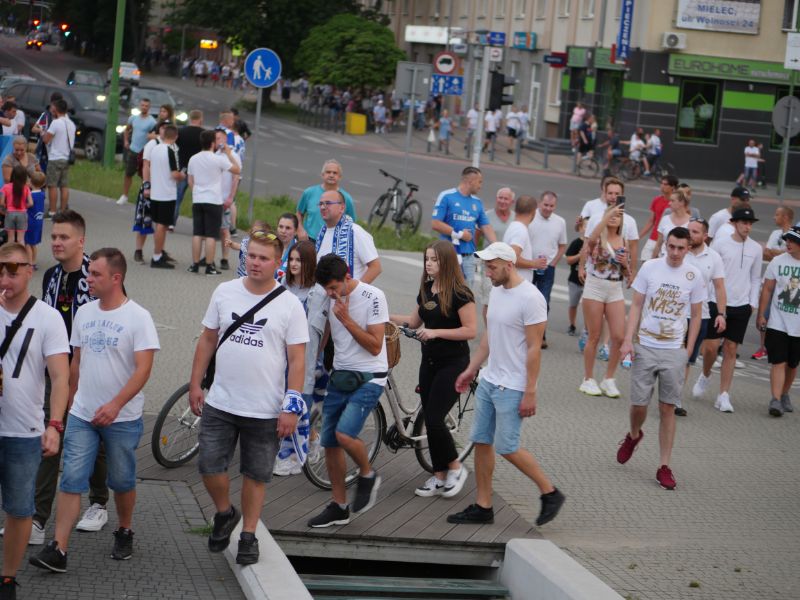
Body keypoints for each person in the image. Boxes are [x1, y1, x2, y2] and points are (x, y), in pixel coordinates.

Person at [30, 248, 159, 572]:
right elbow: (76, 362)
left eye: (96, 274)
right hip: (82, 415)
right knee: (72, 477)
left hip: (122, 418)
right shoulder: (84, 313)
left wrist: (116, 405)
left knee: (122, 480)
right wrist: (70, 402)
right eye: (89, 273)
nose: (89, 278)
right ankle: (59, 548)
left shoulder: (138, 317)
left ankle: (124, 530)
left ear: (116, 278)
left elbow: (143, 369)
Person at [189, 231, 307, 564]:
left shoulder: (289, 304)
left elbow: (298, 359)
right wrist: (195, 384)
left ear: (277, 262)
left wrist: (291, 405)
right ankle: (225, 512)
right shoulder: (224, 291)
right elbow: (207, 339)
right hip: (221, 401)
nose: (255, 263)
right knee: (209, 464)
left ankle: (248, 535)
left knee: (256, 475)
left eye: (263, 258)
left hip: (265, 408)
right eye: (251, 256)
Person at [447, 242, 565, 527]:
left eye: (492, 267)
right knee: (481, 441)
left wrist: (530, 391)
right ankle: (483, 506)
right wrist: (471, 370)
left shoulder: (531, 298)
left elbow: (534, 348)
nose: (487, 272)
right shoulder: (497, 292)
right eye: (485, 267)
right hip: (489, 379)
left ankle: (550, 492)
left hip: (513, 385)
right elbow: (490, 337)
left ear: (509, 265)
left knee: (507, 446)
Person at [0, 242, 69, 598]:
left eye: (13, 270)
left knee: (19, 509)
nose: (5, 277)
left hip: (23, 431)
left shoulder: (48, 317)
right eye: (0, 269)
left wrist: (54, 424)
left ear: (30, 271)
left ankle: (7, 578)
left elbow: (60, 377)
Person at [616, 227, 705, 491]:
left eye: (681, 248)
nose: (675, 252)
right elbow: (636, 305)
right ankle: (634, 435)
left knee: (668, 407)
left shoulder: (694, 275)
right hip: (645, 345)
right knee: (639, 404)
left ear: (688, 248)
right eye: (671, 246)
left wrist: (688, 351)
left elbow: (697, 316)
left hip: (674, 349)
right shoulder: (650, 268)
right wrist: (627, 341)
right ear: (665, 245)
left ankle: (664, 466)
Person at [389, 241, 477, 498]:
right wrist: (383, 315)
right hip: (429, 362)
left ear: (446, 262)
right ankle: (439, 476)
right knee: (430, 419)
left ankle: (456, 467)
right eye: (427, 259)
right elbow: (412, 321)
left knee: (436, 419)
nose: (428, 263)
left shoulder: (461, 293)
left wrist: (436, 332)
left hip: (454, 363)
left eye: (434, 260)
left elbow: (470, 330)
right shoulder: (427, 289)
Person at [307, 254, 389, 528]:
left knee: (344, 434)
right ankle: (339, 506)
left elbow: (375, 346)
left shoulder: (373, 296)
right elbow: (325, 333)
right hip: (340, 375)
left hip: (370, 376)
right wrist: (313, 362)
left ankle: (368, 474)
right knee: (330, 441)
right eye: (326, 289)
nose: (331, 294)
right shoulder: (328, 298)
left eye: (334, 288)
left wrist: (347, 319)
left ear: (347, 277)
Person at [693, 208, 762, 413]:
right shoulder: (721, 244)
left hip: (742, 306)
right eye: (743, 223)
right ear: (734, 223)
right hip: (716, 302)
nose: (747, 227)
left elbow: (756, 278)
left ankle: (723, 395)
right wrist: (707, 297)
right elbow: (711, 271)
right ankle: (706, 374)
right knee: (711, 348)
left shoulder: (756, 248)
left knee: (731, 349)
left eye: (750, 223)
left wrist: (752, 303)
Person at [273, 240, 324, 477]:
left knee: (297, 402)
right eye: (291, 259)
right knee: (279, 401)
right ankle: (312, 439)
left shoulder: (318, 292)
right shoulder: (283, 285)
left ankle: (290, 458)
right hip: (279, 352)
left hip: (305, 353)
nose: (293, 264)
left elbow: (320, 329)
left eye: (299, 260)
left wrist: (316, 356)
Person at [578, 205, 630, 398]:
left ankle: (609, 378)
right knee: (594, 335)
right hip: (595, 286)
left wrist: (625, 264)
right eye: (611, 215)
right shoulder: (598, 237)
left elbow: (627, 272)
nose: (614, 218)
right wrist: (606, 217)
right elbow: (590, 241)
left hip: (615, 288)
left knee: (618, 336)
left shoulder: (623, 239)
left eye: (618, 215)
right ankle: (588, 378)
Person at [676, 218, 726, 417]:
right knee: (673, 358)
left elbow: (720, 287)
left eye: (695, 232)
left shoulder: (714, 257)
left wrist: (721, 314)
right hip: (675, 314)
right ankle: (669, 393)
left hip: (699, 316)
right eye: (689, 230)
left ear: (705, 236)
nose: (690, 234)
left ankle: (675, 399)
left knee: (686, 360)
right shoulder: (679, 251)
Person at [186, 130, 241, 275]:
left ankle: (194, 265)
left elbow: (190, 180)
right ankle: (209, 266)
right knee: (211, 235)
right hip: (214, 200)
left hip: (198, 199)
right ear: (212, 143)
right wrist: (229, 153)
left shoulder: (193, 159)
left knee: (197, 233)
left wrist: (197, 191)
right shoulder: (218, 159)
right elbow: (237, 169)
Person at [758, 226, 800, 417]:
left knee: (792, 363)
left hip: (798, 325)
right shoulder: (777, 261)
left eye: (792, 240)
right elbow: (767, 289)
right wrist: (761, 314)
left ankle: (784, 394)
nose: (787, 243)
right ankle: (775, 399)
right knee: (779, 361)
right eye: (787, 240)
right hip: (778, 322)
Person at [431, 167, 497, 285]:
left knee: (466, 293)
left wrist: (497, 246)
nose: (480, 186)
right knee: (445, 291)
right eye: (479, 182)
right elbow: (435, 224)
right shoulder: (447, 196)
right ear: (470, 181)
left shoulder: (477, 202)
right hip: (448, 255)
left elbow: (486, 226)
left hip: (469, 257)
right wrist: (459, 234)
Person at [754, 207, 796, 360]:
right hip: (773, 278)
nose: (774, 217)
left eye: (777, 214)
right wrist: (782, 253)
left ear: (785, 217)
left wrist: (776, 253)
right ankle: (763, 347)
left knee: (787, 309)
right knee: (765, 314)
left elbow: (782, 253)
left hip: (789, 283)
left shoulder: (794, 233)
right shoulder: (775, 234)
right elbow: (766, 253)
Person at [529, 191, 567, 347]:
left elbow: (562, 245)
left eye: (551, 206)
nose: (548, 208)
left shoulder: (560, 222)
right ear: (539, 203)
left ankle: (540, 336)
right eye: (545, 205)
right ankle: (524, 334)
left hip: (547, 268)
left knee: (544, 301)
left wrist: (553, 263)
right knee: (526, 300)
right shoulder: (531, 217)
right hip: (529, 266)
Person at [146, 124, 184, 269]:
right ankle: (156, 256)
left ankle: (159, 252)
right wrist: (182, 175)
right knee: (162, 226)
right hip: (167, 193)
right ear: (176, 136)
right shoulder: (171, 150)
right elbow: (175, 174)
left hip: (156, 192)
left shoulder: (155, 148)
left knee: (159, 225)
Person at [476, 188, 515, 320]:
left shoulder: (515, 218)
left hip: (508, 265)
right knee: (489, 299)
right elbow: (476, 236)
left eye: (506, 198)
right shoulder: (487, 216)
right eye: (500, 197)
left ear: (512, 201)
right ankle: (489, 330)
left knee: (506, 298)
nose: (502, 201)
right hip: (490, 264)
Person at [295, 160, 357, 242]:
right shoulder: (309, 192)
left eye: (335, 173)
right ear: (322, 175)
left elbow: (351, 222)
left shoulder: (346, 198)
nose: (331, 175)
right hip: (309, 239)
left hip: (333, 242)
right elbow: (299, 213)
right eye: (328, 172)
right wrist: (300, 230)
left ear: (340, 177)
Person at [118, 98, 156, 206]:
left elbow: (153, 136)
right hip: (133, 150)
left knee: (144, 177)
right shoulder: (133, 118)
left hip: (144, 153)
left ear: (149, 107)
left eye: (146, 106)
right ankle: (124, 196)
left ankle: (143, 198)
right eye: (142, 105)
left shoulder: (152, 122)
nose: (144, 107)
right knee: (128, 174)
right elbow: (127, 129)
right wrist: (126, 141)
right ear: (140, 106)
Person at [41, 99, 76, 217]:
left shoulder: (56, 123)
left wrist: (42, 133)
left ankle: (52, 211)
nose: (51, 110)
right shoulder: (71, 124)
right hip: (66, 158)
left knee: (52, 185)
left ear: (55, 109)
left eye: (52, 108)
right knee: (64, 186)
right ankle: (63, 211)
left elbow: (46, 139)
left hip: (55, 158)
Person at [215, 130, 242, 271]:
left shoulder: (233, 156)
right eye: (215, 139)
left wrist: (231, 198)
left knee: (224, 230)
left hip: (225, 199)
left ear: (225, 139)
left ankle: (225, 258)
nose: (216, 141)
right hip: (214, 198)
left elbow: (236, 177)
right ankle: (207, 257)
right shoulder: (215, 154)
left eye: (219, 138)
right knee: (211, 230)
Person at [175, 110, 205, 229]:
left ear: (190, 118)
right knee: (198, 198)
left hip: (182, 168)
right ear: (200, 119)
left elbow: (175, 148)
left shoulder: (181, 131)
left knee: (177, 196)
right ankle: (199, 226)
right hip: (198, 171)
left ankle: (171, 223)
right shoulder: (204, 134)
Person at [638, 175, 678, 262]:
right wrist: (638, 237)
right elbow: (651, 221)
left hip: (667, 241)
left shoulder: (676, 203)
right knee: (645, 261)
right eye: (662, 183)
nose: (662, 186)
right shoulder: (656, 200)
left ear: (673, 187)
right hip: (653, 237)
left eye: (665, 184)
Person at [502, 195, 538, 283]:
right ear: (533, 212)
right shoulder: (520, 230)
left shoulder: (514, 226)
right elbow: (512, 258)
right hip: (517, 284)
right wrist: (534, 263)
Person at [651, 190, 691, 258]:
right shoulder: (665, 219)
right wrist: (652, 260)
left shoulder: (692, 222)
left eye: (672, 201)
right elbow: (658, 244)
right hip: (664, 259)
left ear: (682, 202)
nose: (669, 203)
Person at [565, 218, 586, 336]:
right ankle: (572, 325)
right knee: (573, 304)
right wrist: (580, 255)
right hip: (574, 280)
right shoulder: (576, 243)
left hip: (589, 282)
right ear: (581, 228)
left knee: (588, 307)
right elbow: (568, 260)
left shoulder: (595, 244)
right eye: (585, 226)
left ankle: (587, 328)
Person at [1, 165, 32, 244]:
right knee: (20, 239)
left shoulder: (5, 187)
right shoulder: (26, 188)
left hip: (9, 213)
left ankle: (10, 252)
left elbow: (2, 203)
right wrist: (24, 206)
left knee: (10, 239)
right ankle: (21, 252)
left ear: (13, 175)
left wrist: (5, 210)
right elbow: (31, 203)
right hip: (22, 214)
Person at [24, 171, 46, 267]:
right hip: (38, 221)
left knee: (27, 243)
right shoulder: (42, 194)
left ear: (30, 182)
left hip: (30, 222)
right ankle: (34, 261)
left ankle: (29, 262)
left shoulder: (31, 196)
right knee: (33, 244)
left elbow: (26, 205)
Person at [275, 213, 298, 280]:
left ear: (295, 231)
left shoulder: (299, 251)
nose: (283, 231)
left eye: (288, 228)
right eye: (281, 227)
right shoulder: (269, 246)